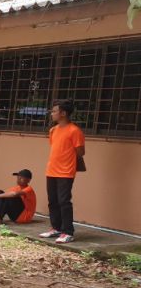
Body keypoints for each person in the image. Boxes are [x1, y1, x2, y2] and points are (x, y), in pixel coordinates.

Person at [40, 99, 85, 244]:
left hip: (66, 172)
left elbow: (80, 152)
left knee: (64, 201)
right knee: (52, 201)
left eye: (54, 111)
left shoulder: (74, 131)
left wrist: (68, 159)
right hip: (51, 171)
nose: (51, 113)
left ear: (63, 113)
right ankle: (56, 228)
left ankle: (68, 232)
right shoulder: (53, 130)